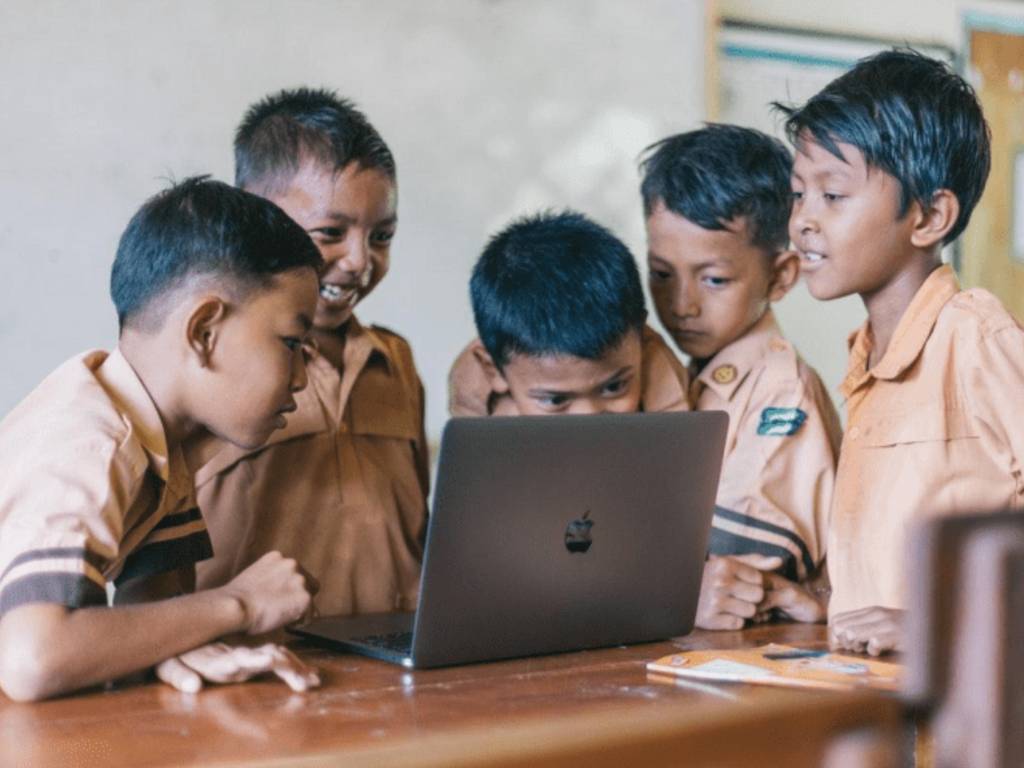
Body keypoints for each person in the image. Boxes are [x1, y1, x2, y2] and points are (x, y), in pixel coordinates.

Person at [0, 177, 323, 700]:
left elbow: (150, 608)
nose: (302, 378)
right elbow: (32, 658)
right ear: (203, 332)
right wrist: (239, 602)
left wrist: (182, 642)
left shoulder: (165, 438)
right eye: (292, 342)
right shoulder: (92, 441)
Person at [779, 49, 1024, 655]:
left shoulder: (975, 339)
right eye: (797, 194)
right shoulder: (865, 362)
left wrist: (937, 624)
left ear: (930, 215)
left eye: (832, 195)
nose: (803, 221)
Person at [195, 89, 429, 617]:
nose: (359, 261)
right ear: (255, 217)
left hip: (391, 669)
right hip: (249, 670)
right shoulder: (202, 363)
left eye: (382, 236)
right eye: (331, 232)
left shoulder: (394, 363)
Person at [640, 124, 841, 630]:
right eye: (662, 274)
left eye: (714, 280)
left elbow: (736, 576)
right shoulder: (674, 373)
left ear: (781, 276)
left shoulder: (781, 392)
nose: (681, 304)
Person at [448, 210, 690, 418]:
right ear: (494, 371)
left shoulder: (665, 384)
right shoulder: (471, 388)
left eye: (614, 387)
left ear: (641, 340)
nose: (588, 418)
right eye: (555, 401)